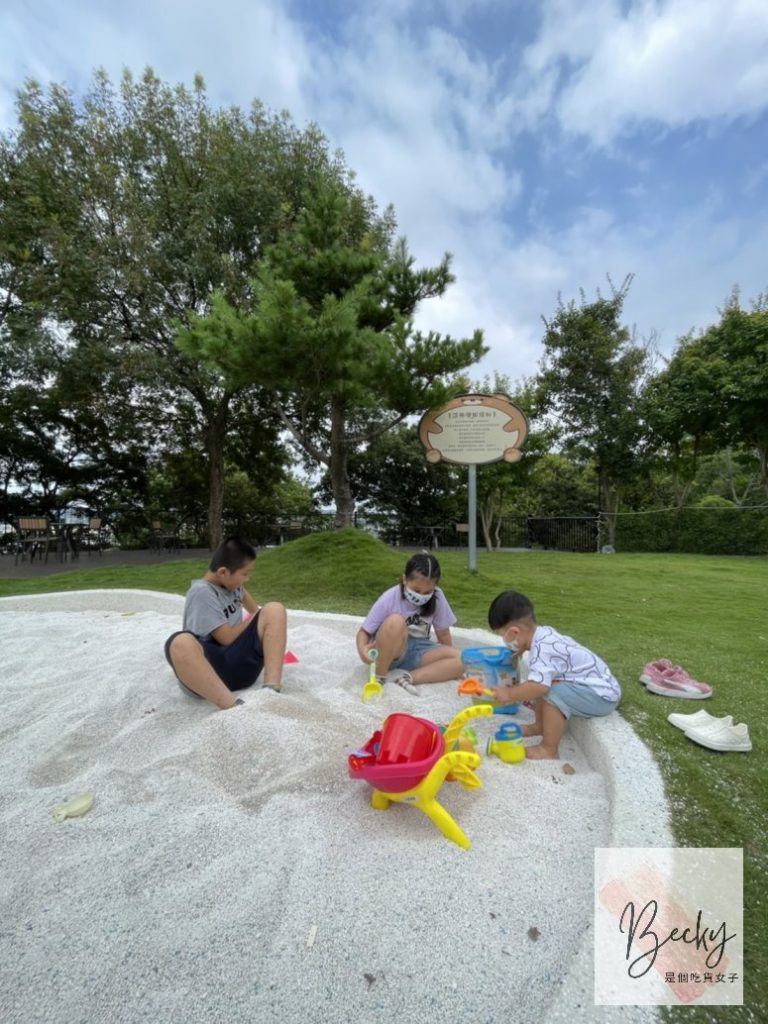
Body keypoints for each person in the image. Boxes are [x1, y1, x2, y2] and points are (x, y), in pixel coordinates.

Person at [487, 590, 620, 760]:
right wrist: (520, 648)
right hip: (597, 686)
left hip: (601, 697)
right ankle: (538, 727)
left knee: (547, 689)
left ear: (514, 632)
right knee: (544, 683)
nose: (505, 642)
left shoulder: (541, 650)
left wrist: (509, 694)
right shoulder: (542, 634)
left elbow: (539, 687)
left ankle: (549, 748)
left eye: (503, 636)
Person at [165, 536, 287, 709]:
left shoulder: (232, 586)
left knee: (275, 609)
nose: (247, 579)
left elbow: (245, 596)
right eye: (244, 574)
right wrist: (257, 616)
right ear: (223, 572)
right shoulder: (202, 592)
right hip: (209, 675)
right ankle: (231, 705)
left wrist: (264, 622)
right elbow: (227, 638)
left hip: (240, 667)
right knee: (179, 642)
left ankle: (272, 689)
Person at [355, 552, 463, 692]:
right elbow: (364, 632)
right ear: (405, 579)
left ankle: (408, 678)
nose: (421, 596)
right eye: (416, 590)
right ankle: (380, 677)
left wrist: (447, 661)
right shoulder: (390, 597)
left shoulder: (437, 596)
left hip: (419, 650)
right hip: (391, 651)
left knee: (463, 659)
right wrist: (363, 652)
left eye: (427, 592)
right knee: (396, 621)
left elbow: (443, 634)